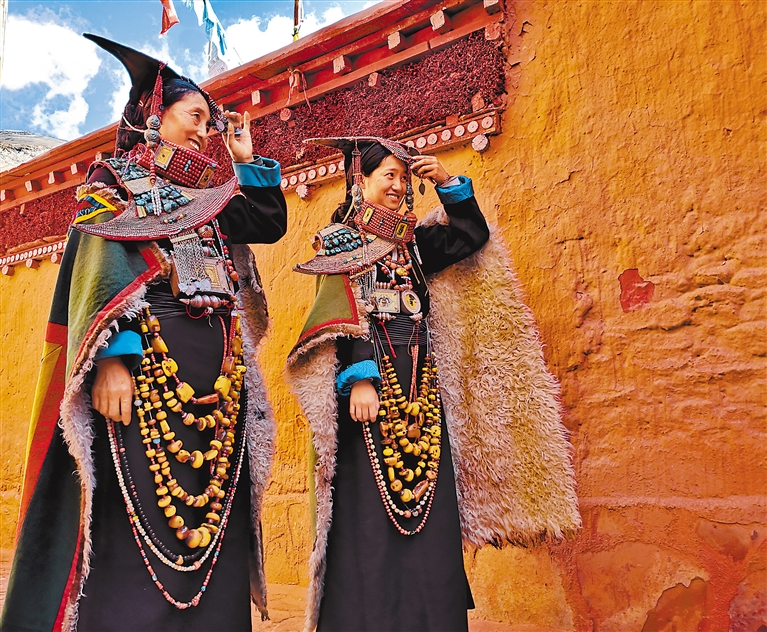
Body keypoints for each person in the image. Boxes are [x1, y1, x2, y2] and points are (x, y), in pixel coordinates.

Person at [1, 34, 286, 632]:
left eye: (210, 122)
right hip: (147, 380)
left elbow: (267, 222)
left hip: (218, 386)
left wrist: (244, 158)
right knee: (139, 516)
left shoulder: (211, 197)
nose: (205, 131)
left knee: (213, 514)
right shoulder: (114, 183)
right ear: (155, 117)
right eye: (194, 117)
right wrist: (113, 358)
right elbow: (101, 266)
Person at [286, 137, 582, 631]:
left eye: (404, 178)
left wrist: (447, 183)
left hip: (421, 393)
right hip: (370, 395)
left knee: (428, 507)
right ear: (361, 181)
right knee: (369, 516)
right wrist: (360, 378)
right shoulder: (339, 242)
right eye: (389, 176)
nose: (399, 186)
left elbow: (471, 235)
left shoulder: (415, 244)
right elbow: (341, 314)